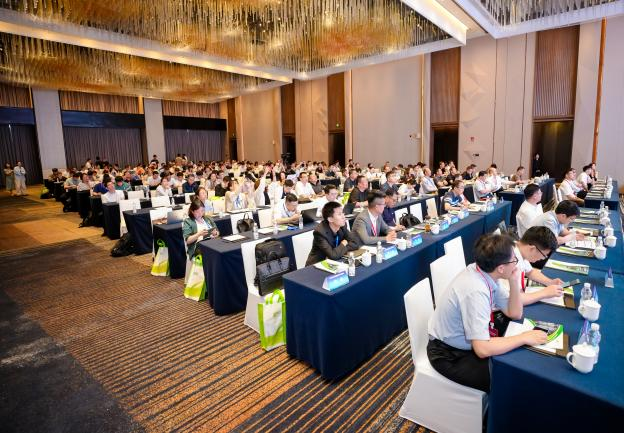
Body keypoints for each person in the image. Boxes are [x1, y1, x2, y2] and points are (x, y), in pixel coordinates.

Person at [427, 233, 548, 393]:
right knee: (510, 379)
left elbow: (514, 313)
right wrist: (523, 338)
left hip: (468, 341)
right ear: (501, 268)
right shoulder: (476, 290)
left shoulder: (485, 272)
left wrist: (513, 282)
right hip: (449, 354)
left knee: (516, 354)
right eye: (514, 260)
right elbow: (482, 349)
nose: (517, 264)